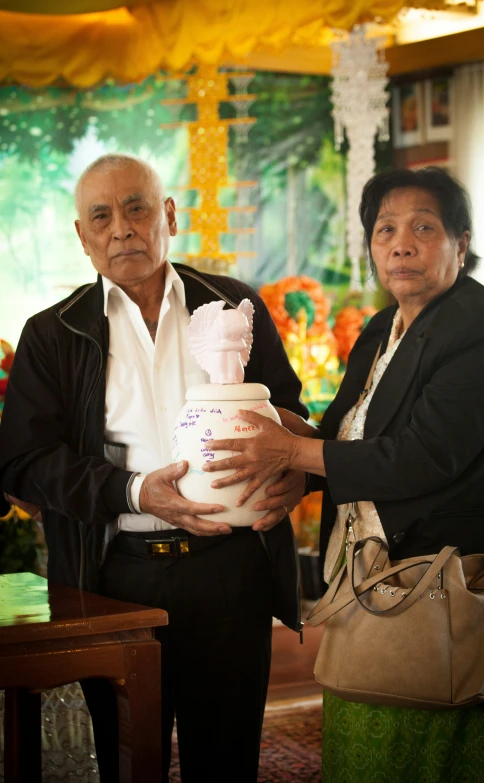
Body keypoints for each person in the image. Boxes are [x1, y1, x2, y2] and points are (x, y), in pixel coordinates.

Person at [202, 167, 484, 782]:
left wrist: (291, 456)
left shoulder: (482, 332)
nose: (401, 243)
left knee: (432, 752)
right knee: (362, 749)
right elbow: (341, 438)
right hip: (364, 580)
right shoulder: (382, 328)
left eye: (423, 228)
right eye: (385, 230)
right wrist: (280, 453)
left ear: (461, 240)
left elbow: (422, 456)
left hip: (436, 583)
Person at [0, 153, 309, 783]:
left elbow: (293, 418)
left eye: (137, 207)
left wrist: (299, 475)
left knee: (225, 763)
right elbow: (24, 464)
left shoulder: (234, 306)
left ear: (168, 214)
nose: (122, 228)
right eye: (102, 216)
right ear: (83, 237)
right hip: (116, 579)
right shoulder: (52, 334)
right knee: (126, 757)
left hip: (231, 571)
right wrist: (137, 491)